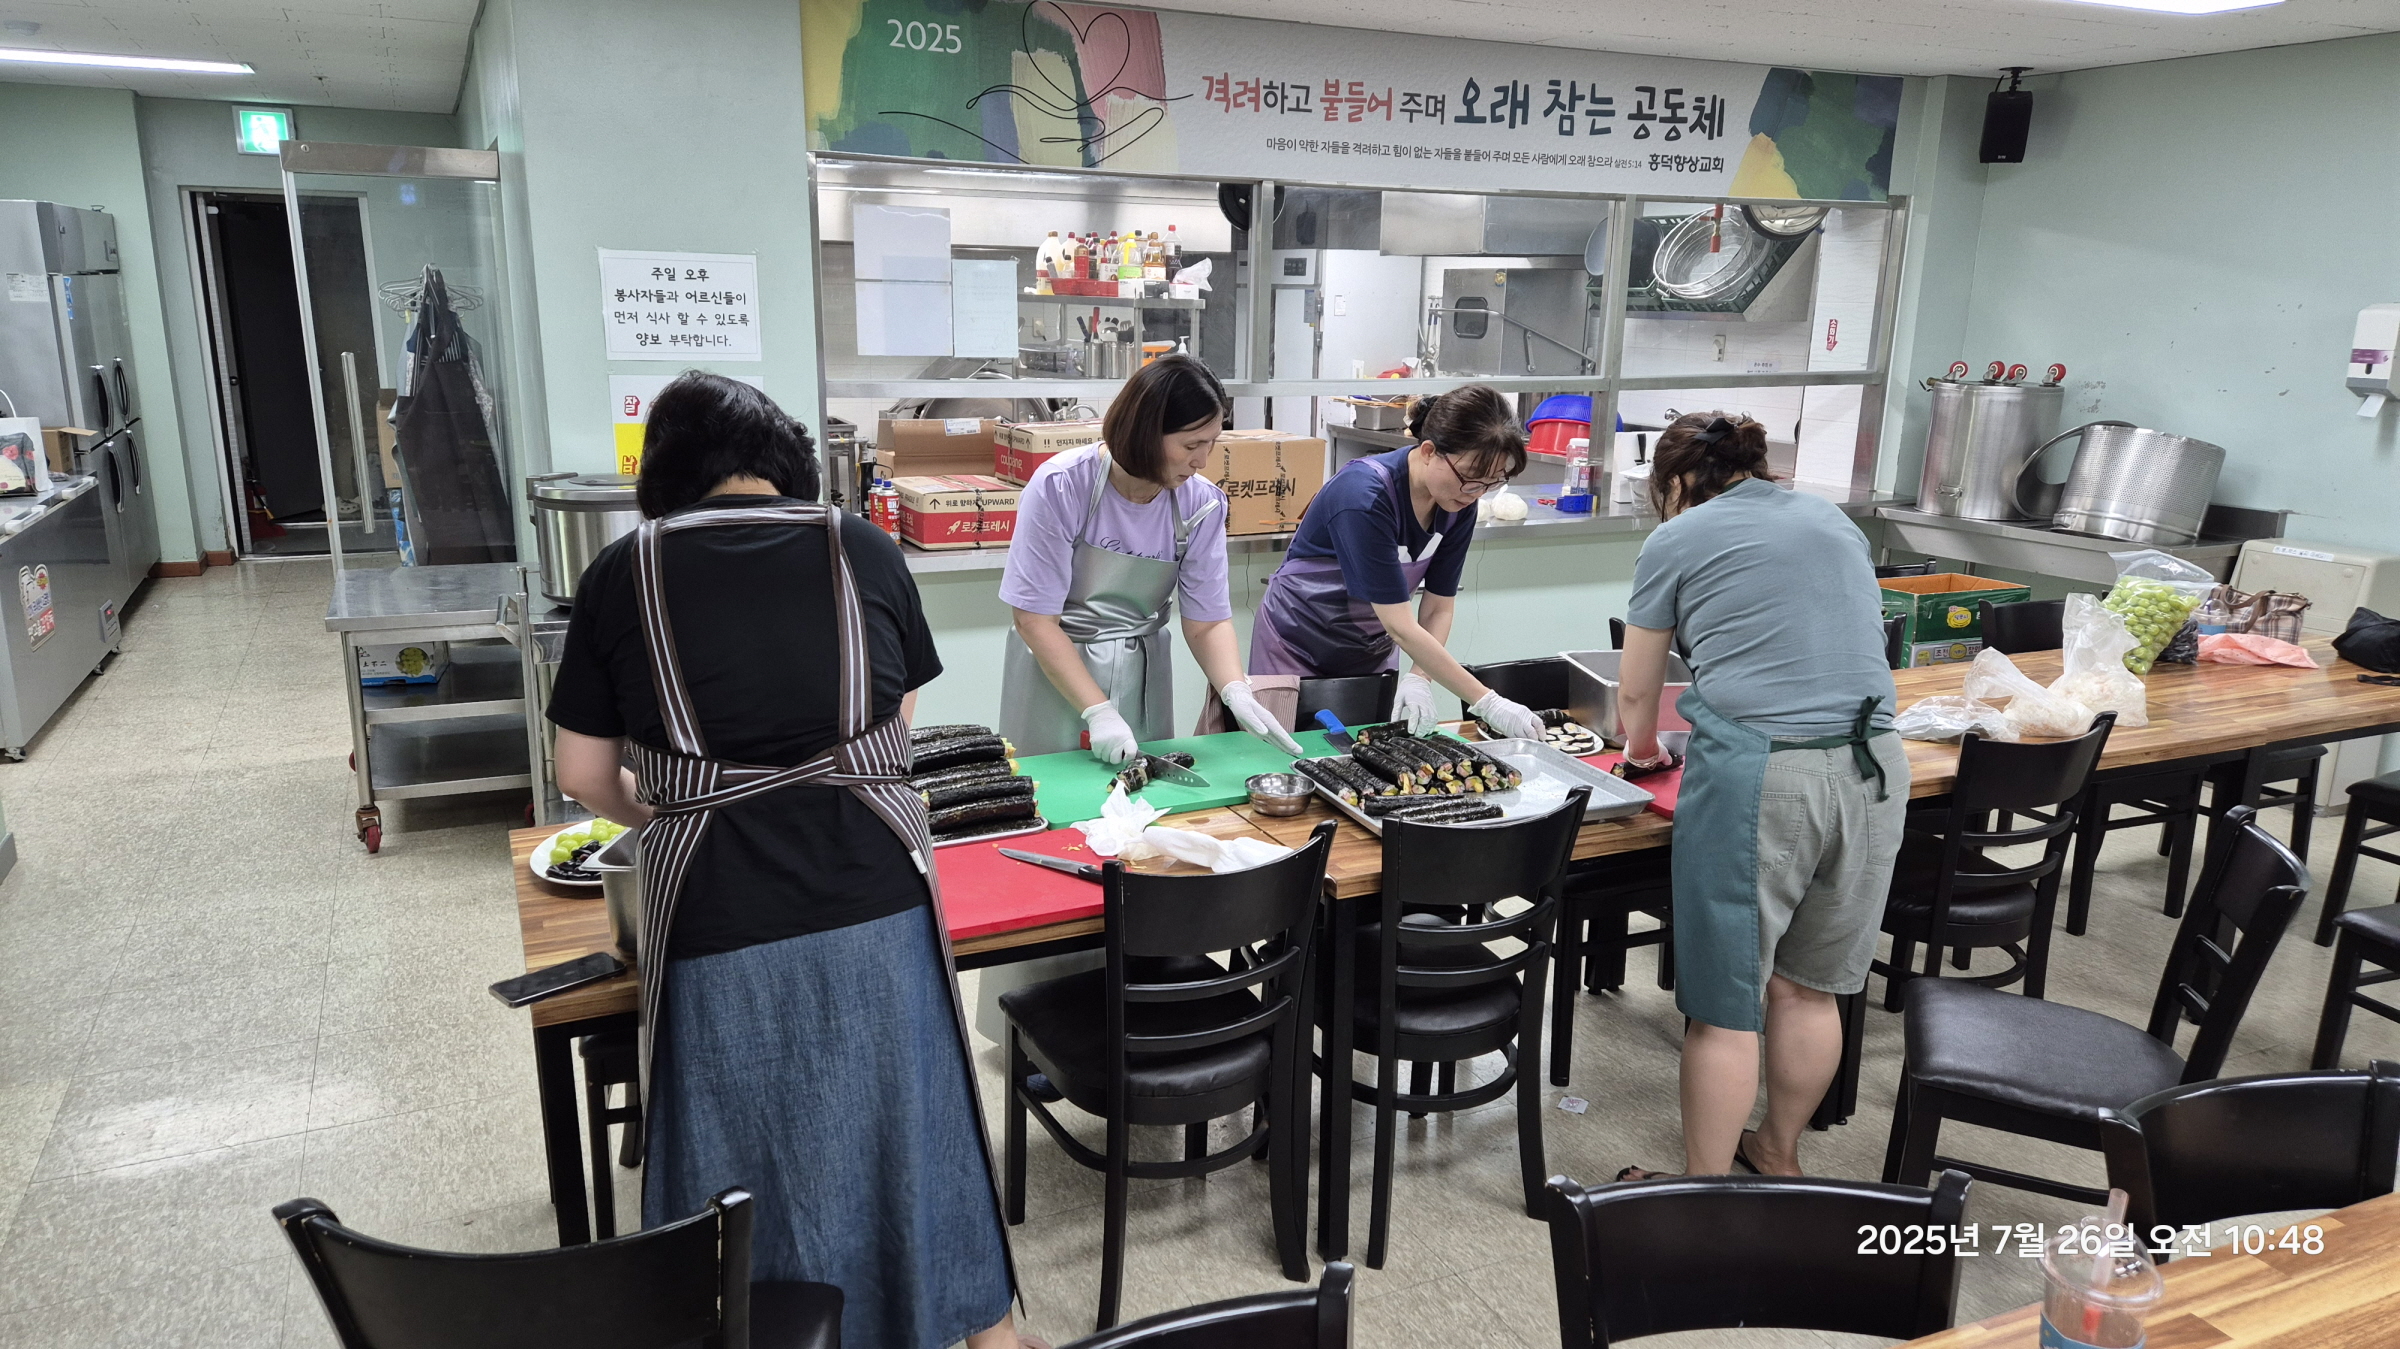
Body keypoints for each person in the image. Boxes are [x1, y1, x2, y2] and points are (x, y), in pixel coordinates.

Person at [547, 373, 1037, 1349]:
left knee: (737, 1157)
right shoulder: (864, 547)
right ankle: (975, 1329)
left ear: (668, 476)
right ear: (783, 462)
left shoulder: (624, 570)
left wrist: (676, 807)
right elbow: (894, 731)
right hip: (878, 896)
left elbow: (581, 772)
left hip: (717, 909)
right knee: (914, 1128)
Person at [1610, 413, 1909, 1182]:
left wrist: (1640, 751)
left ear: (1677, 481)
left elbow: (1637, 690)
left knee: (1724, 1007)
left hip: (1765, 776)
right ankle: (1778, 1150)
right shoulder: (1830, 519)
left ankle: (1703, 1195)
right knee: (1809, 988)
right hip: (1875, 767)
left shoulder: (1678, 537)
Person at [998, 354, 1301, 764]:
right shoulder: (1062, 486)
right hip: (1054, 674)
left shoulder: (1201, 503)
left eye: (1212, 443)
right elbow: (1034, 620)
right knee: (1051, 788)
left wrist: (1235, 689)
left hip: (1143, 675)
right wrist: (1099, 712)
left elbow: (1207, 622)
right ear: (1145, 433)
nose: (1202, 461)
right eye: (1191, 445)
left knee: (1143, 794)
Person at [1247, 385, 1546, 740]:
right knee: (1285, 752)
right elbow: (1401, 625)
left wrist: (1420, 676)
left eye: (1490, 483)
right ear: (1429, 451)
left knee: (1362, 752)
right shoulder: (1363, 495)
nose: (1476, 493)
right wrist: (1487, 702)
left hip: (1370, 650)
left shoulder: (1458, 502)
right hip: (1294, 646)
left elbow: (1438, 607)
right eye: (1470, 478)